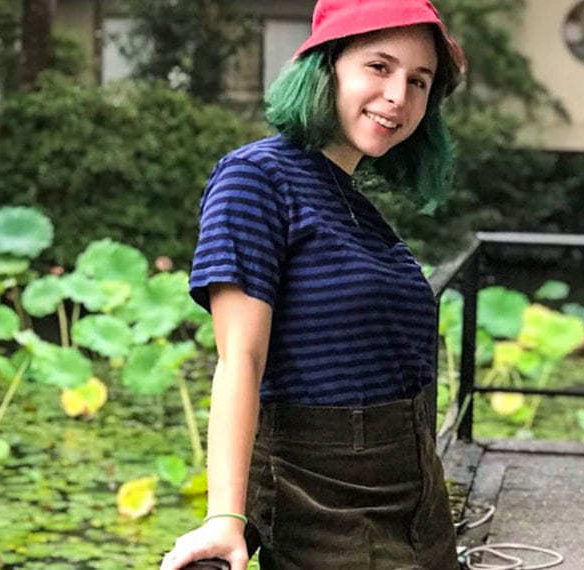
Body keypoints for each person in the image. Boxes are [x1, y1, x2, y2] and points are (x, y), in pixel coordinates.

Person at [161, 0, 467, 568]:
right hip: (325, 507)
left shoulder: (349, 199)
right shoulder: (256, 178)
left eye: (418, 81)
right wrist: (225, 516)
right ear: (325, 68)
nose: (398, 95)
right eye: (379, 67)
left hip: (416, 502)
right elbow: (240, 359)